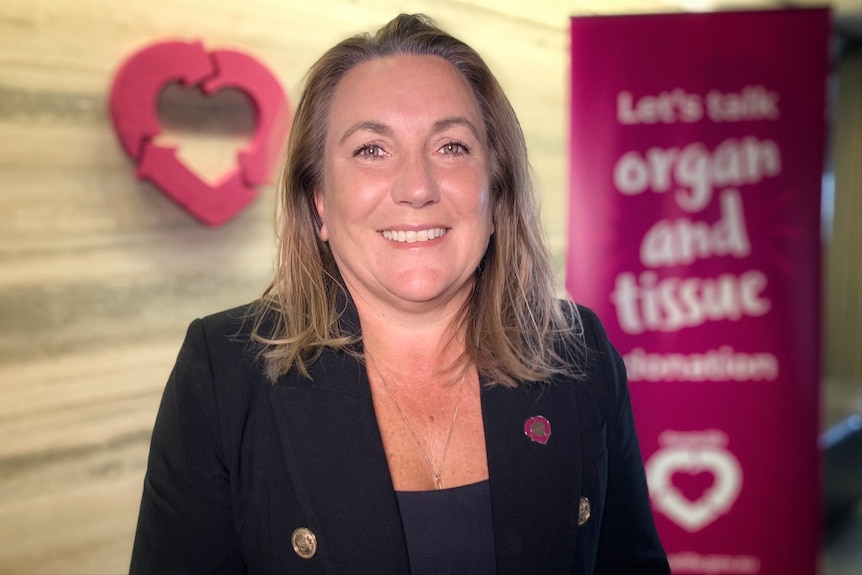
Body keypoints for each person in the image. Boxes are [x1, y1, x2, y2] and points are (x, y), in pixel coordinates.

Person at [130, 13, 669, 575]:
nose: (417, 189)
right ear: (318, 203)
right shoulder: (224, 373)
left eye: (452, 147)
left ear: (496, 192)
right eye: (371, 150)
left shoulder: (575, 351)